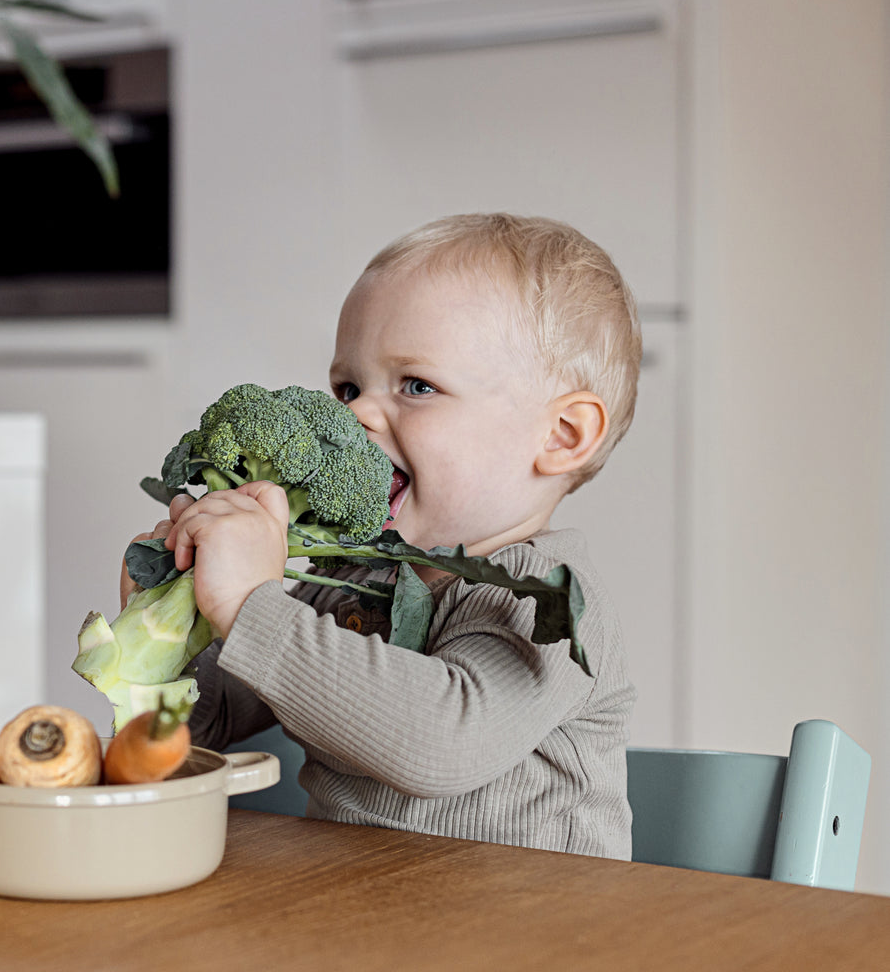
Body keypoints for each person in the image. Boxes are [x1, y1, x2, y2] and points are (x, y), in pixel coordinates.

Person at [127, 213, 641, 859]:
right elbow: (207, 725)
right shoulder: (351, 581)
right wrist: (168, 630)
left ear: (561, 436)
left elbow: (440, 743)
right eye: (348, 386)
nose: (354, 416)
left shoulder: (549, 604)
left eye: (417, 386)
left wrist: (250, 606)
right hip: (360, 920)